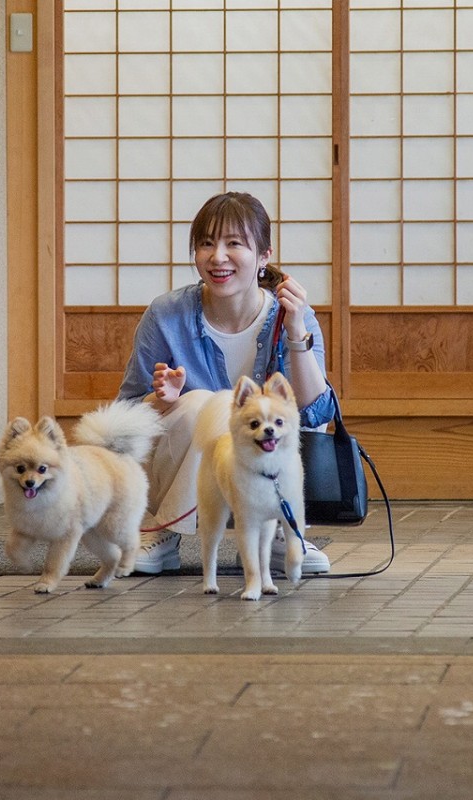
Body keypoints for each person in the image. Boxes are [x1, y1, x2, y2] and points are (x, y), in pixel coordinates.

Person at [116, 191, 336, 575]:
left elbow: (317, 410)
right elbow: (126, 416)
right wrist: (162, 400)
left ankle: (280, 532)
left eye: (234, 243)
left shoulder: (292, 314)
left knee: (285, 413)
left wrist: (298, 332)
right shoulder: (167, 315)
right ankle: (163, 533)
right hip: (193, 472)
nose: (217, 257)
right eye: (206, 244)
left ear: (264, 256)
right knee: (204, 404)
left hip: (262, 463)